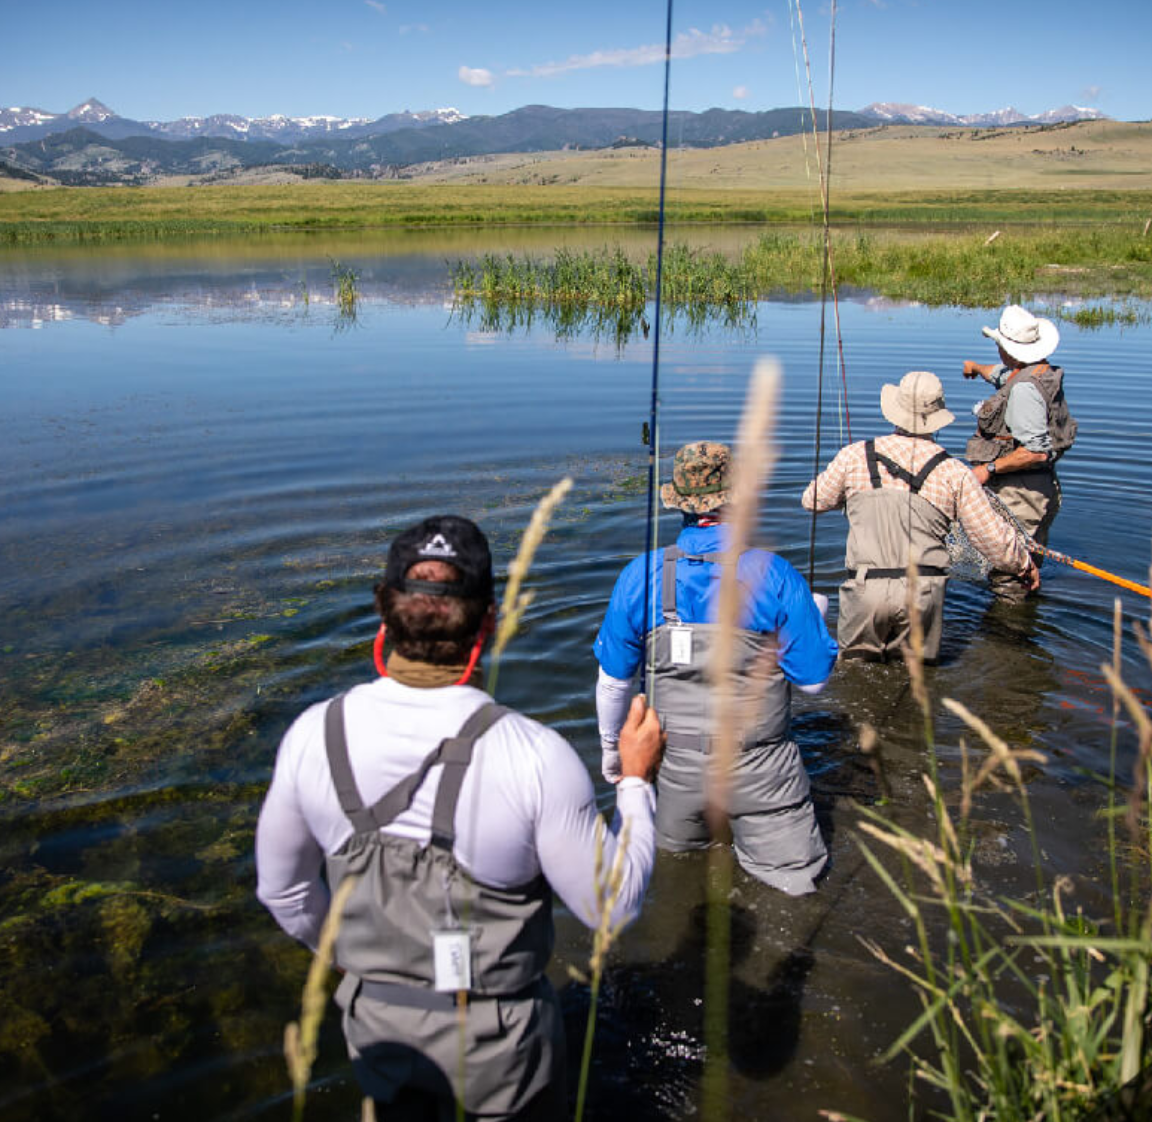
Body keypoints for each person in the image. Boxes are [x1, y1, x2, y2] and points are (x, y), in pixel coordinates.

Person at [255, 515, 663, 1121]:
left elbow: (283, 892)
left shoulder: (314, 735)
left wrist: (352, 963)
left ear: (382, 608)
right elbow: (614, 907)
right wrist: (634, 781)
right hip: (505, 1059)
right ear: (490, 620)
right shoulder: (533, 754)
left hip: (379, 1040)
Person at [593, 442, 837, 897]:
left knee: (669, 878)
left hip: (674, 775)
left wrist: (614, 754)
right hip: (763, 772)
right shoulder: (777, 575)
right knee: (796, 889)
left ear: (680, 503)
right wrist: (815, 616)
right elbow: (814, 682)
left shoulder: (639, 575)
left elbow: (612, 683)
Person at [801, 372, 1039, 661]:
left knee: (855, 672)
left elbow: (812, 501)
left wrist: (850, 492)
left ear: (895, 412)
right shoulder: (954, 472)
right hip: (923, 593)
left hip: (865, 590)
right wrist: (1023, 563)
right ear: (936, 417)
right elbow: (990, 537)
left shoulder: (854, 456)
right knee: (918, 682)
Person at [962, 305, 1079, 600]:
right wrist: (977, 368)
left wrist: (987, 469)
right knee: (1026, 570)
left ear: (1006, 348)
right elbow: (1005, 376)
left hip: (1022, 495)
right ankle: (1021, 624)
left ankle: (1006, 641)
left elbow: (1035, 453)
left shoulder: (1024, 390)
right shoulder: (1040, 372)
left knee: (1010, 577)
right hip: (1041, 489)